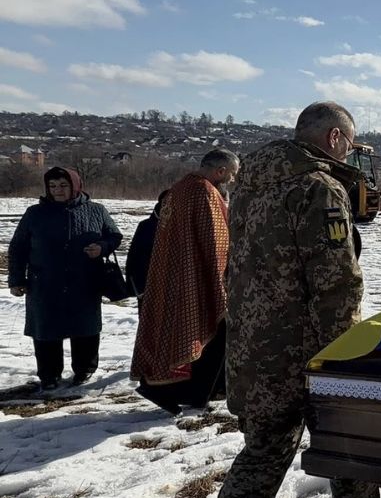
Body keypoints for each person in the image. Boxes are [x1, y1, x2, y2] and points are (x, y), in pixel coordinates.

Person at [202, 102, 381, 498]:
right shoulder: (317, 187)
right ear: (335, 139)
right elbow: (336, 284)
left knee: (260, 458)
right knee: (349, 451)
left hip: (252, 347)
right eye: (349, 143)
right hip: (307, 353)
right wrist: (345, 362)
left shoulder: (250, 186)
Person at [130, 149, 238, 415]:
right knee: (212, 330)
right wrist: (223, 279)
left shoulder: (179, 189)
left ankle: (189, 389)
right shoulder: (205, 193)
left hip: (174, 272)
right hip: (197, 275)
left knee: (179, 331)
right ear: (220, 172)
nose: (233, 180)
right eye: (232, 174)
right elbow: (216, 242)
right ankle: (189, 392)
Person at [7, 167, 122, 390]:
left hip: (85, 281)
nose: (58, 190)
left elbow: (114, 236)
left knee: (85, 328)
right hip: (44, 282)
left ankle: (85, 370)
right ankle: (49, 375)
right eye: (53, 186)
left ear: (75, 186)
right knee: (46, 330)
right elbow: (18, 248)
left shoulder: (96, 211)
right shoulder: (35, 214)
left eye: (63, 185)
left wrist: (102, 247)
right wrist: (16, 279)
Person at [125, 190, 169, 298]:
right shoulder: (146, 226)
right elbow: (133, 259)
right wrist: (137, 289)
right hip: (147, 287)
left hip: (175, 289)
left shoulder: (184, 227)